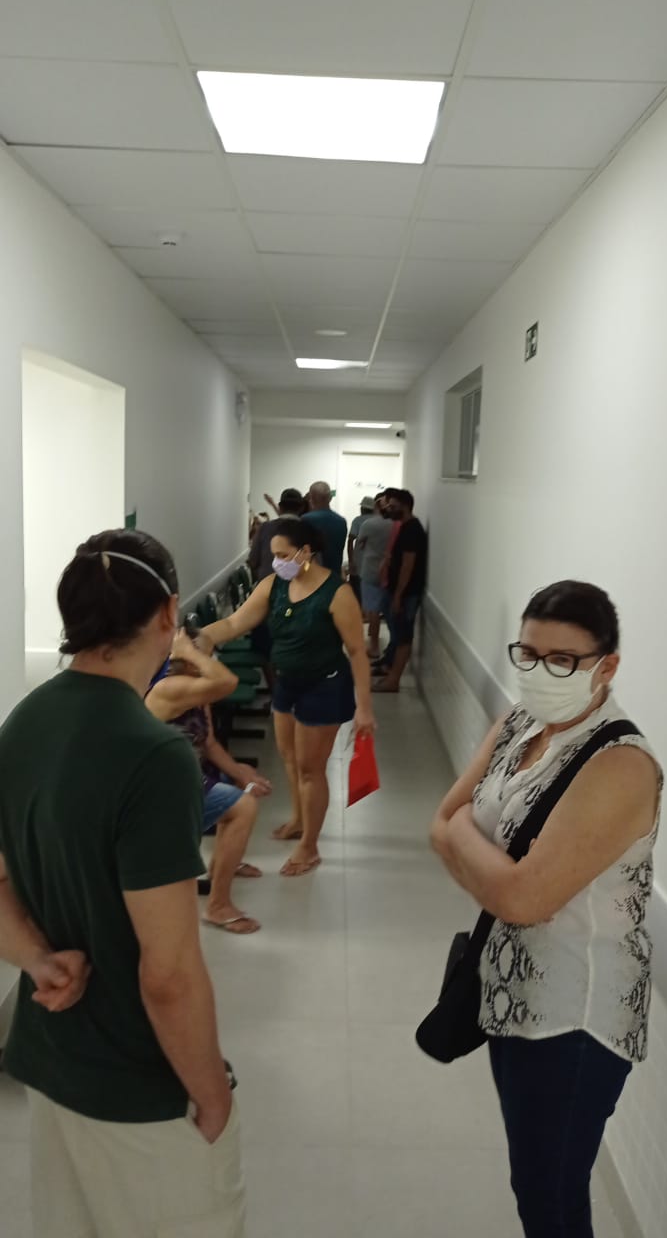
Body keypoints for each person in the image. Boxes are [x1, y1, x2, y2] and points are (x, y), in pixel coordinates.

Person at [0, 530, 245, 1237]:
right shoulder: (154, 755)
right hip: (137, 1083)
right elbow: (168, 972)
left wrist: (39, 960)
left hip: (52, 1060)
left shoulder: (25, 720)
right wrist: (211, 1093)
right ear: (168, 613)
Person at [430, 580, 661, 1238]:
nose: (539, 672)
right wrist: (486, 862)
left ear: (606, 666)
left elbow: (522, 897)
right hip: (508, 990)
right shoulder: (518, 724)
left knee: (550, 1197)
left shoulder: (620, 763)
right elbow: (440, 821)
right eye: (528, 654)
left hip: (574, 1015)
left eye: (562, 660)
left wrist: (471, 848)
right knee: (532, 1182)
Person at [201, 518, 375, 876]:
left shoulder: (337, 593)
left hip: (325, 686)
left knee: (311, 769)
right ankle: (298, 820)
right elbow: (234, 623)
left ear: (305, 552)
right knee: (291, 760)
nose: (277, 562)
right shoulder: (273, 585)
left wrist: (365, 708)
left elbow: (357, 651)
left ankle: (309, 846)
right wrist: (200, 637)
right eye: (274, 555)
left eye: (283, 555)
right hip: (288, 683)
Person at [146, 629, 272, 936]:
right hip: (161, 787)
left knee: (240, 792)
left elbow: (210, 743)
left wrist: (241, 772)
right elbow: (227, 681)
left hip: (187, 775)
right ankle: (218, 906)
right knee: (243, 807)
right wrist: (190, 651)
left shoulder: (198, 690)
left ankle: (223, 866)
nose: (212, 660)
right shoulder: (169, 688)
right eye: (207, 655)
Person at [372, 489, 427, 693]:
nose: (388, 509)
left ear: (405, 506)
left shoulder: (412, 530)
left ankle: (393, 680)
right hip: (401, 592)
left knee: (403, 637)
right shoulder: (404, 527)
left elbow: (407, 565)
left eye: (393, 506)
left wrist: (398, 595)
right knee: (399, 635)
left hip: (406, 593)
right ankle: (391, 674)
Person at [356, 493, 394, 660]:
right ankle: (389, 643)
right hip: (389, 570)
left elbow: (360, 544)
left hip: (370, 569)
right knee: (385, 608)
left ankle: (374, 646)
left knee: (372, 609)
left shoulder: (368, 524)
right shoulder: (394, 524)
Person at [249, 487, 304, 582]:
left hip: (267, 585)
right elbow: (315, 565)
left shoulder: (265, 528)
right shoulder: (309, 531)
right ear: (301, 508)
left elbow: (253, 560)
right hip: (299, 586)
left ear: (280, 507)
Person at [302, 480, 348, 576]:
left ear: (311, 498)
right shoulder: (341, 521)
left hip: (311, 575)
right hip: (334, 574)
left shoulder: (305, 519)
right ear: (330, 498)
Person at [347, 495, 375, 604]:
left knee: (357, 592)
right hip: (374, 564)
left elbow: (350, 541)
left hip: (358, 562)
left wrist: (351, 561)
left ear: (362, 508)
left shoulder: (357, 521)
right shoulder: (378, 521)